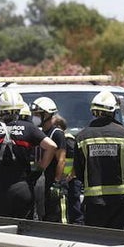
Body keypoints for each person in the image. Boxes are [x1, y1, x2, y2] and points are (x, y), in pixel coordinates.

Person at [0, 90, 56, 221]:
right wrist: (39, 170)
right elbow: (51, 146)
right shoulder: (28, 128)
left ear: (0, 109)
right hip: (23, 188)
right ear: (19, 109)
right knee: (24, 227)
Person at [73, 90, 124, 230]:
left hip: (94, 200)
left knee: (96, 239)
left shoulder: (82, 137)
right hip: (121, 199)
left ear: (93, 112)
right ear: (114, 111)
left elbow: (79, 170)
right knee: (119, 238)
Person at [31, 96, 81, 224]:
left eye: (38, 114)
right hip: (42, 183)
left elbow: (61, 159)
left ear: (47, 115)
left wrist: (57, 182)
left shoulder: (56, 133)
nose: (35, 117)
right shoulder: (39, 133)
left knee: (59, 217)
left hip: (54, 184)